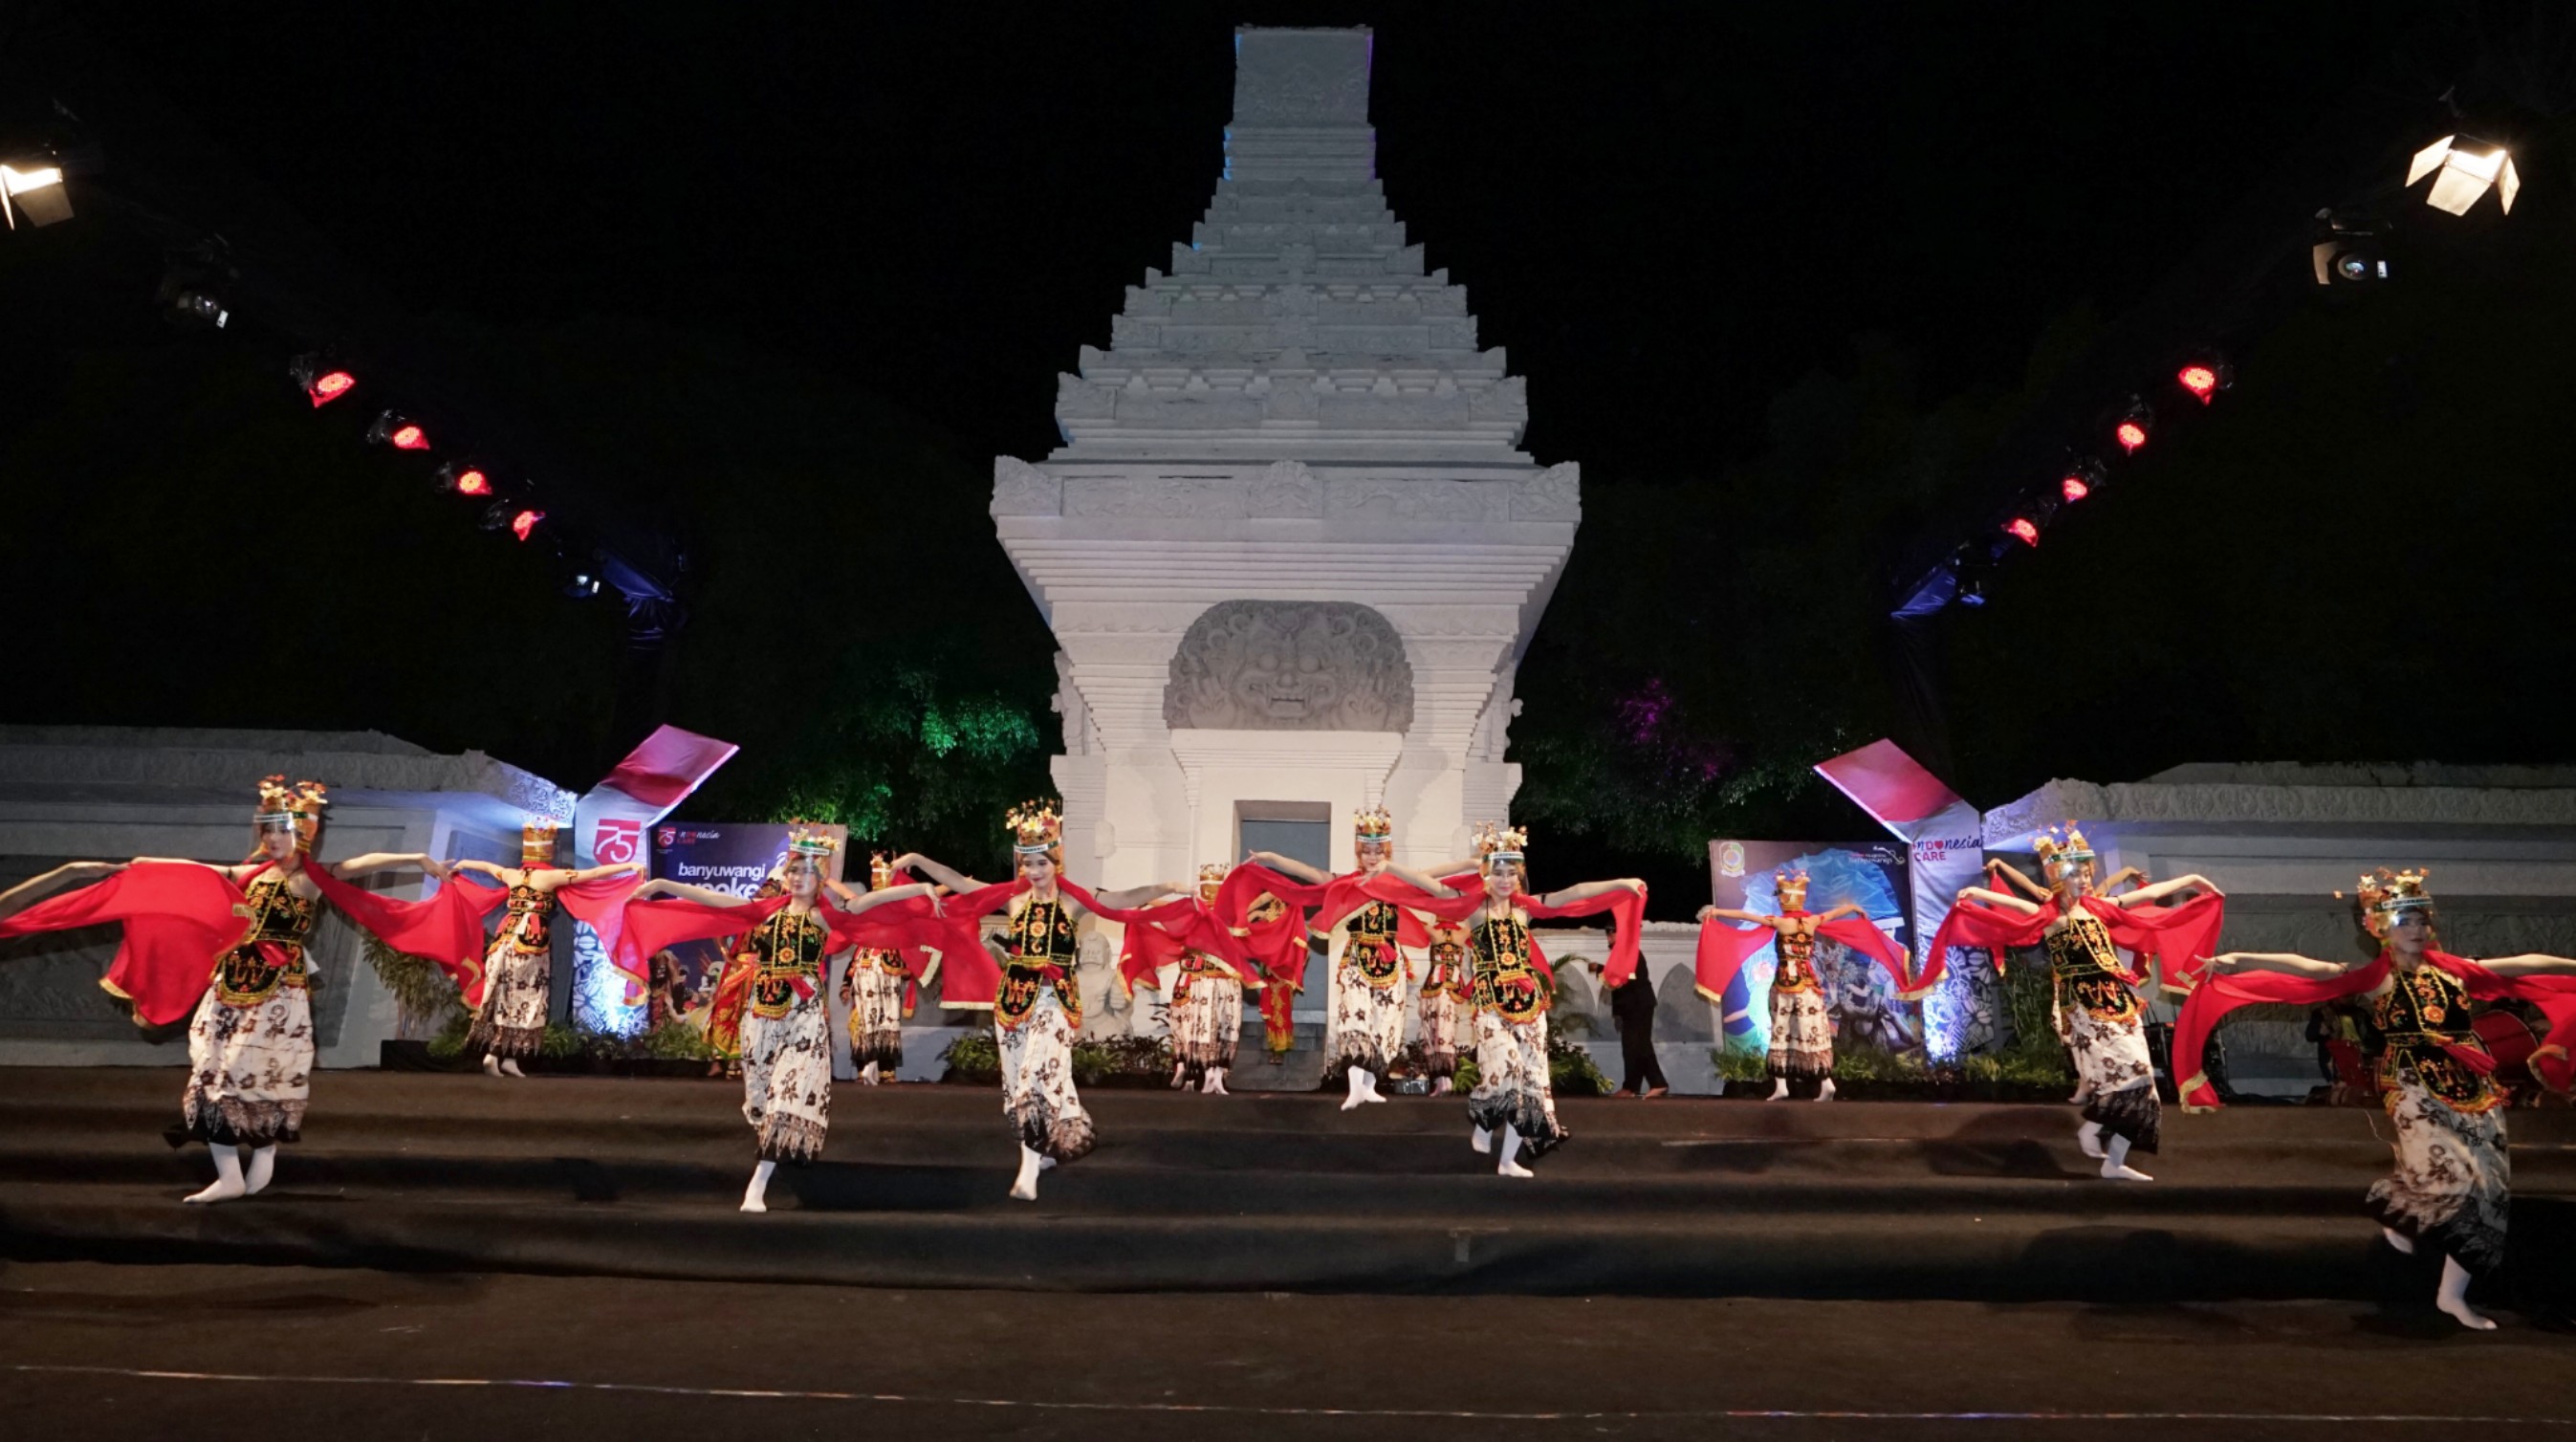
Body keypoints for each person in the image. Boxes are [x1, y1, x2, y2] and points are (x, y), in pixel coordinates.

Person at [0, 777, 451, 1205]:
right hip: (232, 983)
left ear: (304, 834)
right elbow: (194, 872)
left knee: (268, 1071)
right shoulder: (247, 873)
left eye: (283, 831)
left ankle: (265, 1154)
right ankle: (230, 1174)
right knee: (214, 1069)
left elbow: (359, 864)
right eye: (267, 830)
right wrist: (137, 864)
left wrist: (414, 858)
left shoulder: (311, 880)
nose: (273, 840)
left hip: (281, 990)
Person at [2190, 869, 2576, 1330]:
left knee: (2488, 1188)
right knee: (2448, 1174)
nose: (2415, 929)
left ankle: (2451, 1296)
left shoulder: (2454, 968)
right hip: (2412, 1082)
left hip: (2471, 1082)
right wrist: (2239, 957)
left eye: (2420, 920)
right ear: (2381, 929)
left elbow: (2524, 963)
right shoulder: (2377, 975)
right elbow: (2308, 968)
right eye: (2403, 921)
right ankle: (2398, 1207)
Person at [628, 823, 940, 1211]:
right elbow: (712, 899)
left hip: (804, 1016)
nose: (797, 878)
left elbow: (870, 904)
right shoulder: (764, 913)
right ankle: (774, 1145)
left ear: (819, 878)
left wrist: (919, 888)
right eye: (793, 870)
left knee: (788, 1097)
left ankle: (756, 1185)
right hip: (760, 1015)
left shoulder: (824, 918)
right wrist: (663, 883)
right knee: (760, 1099)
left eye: (806, 871)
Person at [892, 802, 1189, 1200]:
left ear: (1057, 862)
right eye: (1027, 864)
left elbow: (1121, 899)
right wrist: (916, 859)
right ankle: (1045, 1145)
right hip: (1013, 1002)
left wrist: (1168, 886)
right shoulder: (1013, 900)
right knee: (1017, 1082)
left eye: (1041, 864)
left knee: (1035, 1074)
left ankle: (1027, 1172)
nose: (1033, 872)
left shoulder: (1074, 901)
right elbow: (961, 884)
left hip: (1056, 1000)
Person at [1932, 825, 2225, 1182]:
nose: (2086, 880)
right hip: (2085, 1005)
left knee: (2143, 1079)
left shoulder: (2102, 908)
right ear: (2059, 879)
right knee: (2123, 1080)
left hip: (2119, 1000)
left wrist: (2191, 879)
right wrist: (1977, 890)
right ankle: (2101, 1140)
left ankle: (2108, 1154)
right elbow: (2016, 904)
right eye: (2078, 874)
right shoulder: (2052, 917)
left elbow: (2148, 896)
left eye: (2088, 874)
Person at [1244, 807, 1440, 1112]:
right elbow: (1308, 874)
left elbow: (1435, 877)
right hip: (1357, 960)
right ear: (1359, 854)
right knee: (1355, 1018)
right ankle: (1353, 1088)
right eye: (1367, 851)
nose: (1372, 857)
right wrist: (1271, 858)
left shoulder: (1397, 884)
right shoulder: (1346, 883)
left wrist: (1473, 865)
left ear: (1386, 852)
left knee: (1385, 1025)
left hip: (1391, 962)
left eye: (1378, 851)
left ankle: (1370, 1086)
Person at [447, 820, 643, 1079]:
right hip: (530, 943)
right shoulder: (549, 876)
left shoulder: (511, 874)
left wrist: (462, 864)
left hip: (503, 940)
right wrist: (628, 865)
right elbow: (592, 875)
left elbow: (485, 866)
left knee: (501, 995)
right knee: (524, 998)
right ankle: (494, 1054)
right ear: (547, 851)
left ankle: (508, 1058)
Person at [1696, 871, 1901, 1103]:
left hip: (1785, 986)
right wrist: (1853, 907)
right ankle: (1826, 1083)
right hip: (1809, 987)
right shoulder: (1811, 922)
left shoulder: (1781, 922)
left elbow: (1746, 915)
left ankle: (1782, 1086)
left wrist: (1716, 912)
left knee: (1781, 1032)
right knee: (1814, 1033)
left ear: (1784, 901)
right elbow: (1835, 913)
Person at [835, 851, 939, 1085]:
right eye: (874, 876)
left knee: (888, 1019)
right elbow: (846, 895)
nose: (876, 880)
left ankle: (886, 1069)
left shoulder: (901, 907)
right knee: (865, 1018)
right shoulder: (864, 904)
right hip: (866, 965)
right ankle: (865, 1067)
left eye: (881, 875)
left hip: (889, 966)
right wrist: (846, 982)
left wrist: (944, 886)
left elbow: (925, 903)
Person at [1596, 956, 1668, 1098]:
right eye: (1608, 934)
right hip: (1630, 1007)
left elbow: (1623, 977)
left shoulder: (1630, 951)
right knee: (1631, 1048)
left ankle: (1657, 1083)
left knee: (1641, 1045)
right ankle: (1631, 1087)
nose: (1610, 938)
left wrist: (1600, 969)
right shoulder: (1621, 952)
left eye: (1613, 934)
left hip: (1639, 1004)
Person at [1419, 922, 1474, 1094]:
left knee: (1436, 1032)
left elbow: (1416, 923)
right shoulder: (1463, 933)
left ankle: (1445, 1079)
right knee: (1442, 1032)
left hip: (1436, 987)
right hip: (1449, 988)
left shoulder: (1435, 932)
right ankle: (1442, 1080)